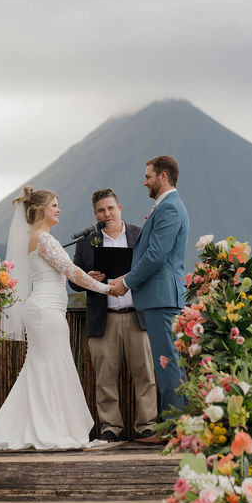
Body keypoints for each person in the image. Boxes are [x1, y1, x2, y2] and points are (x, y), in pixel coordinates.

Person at [0, 186, 113, 450]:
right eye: (54, 205)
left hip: (47, 311)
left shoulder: (38, 238)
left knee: (44, 367)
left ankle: (46, 425)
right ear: (41, 210)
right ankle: (50, 428)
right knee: (51, 366)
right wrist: (108, 288)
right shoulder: (43, 239)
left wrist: (93, 280)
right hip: (45, 312)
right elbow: (72, 272)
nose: (58, 209)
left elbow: (66, 272)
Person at [108, 156, 189, 444]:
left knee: (168, 365)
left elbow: (156, 255)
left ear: (163, 176)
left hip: (161, 297)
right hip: (160, 297)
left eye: (148, 176)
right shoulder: (167, 207)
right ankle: (180, 428)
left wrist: (126, 282)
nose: (144, 182)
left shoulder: (169, 208)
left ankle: (173, 431)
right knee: (169, 363)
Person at [70, 188, 158, 442]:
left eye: (110, 208)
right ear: (95, 214)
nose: (106, 213)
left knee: (145, 374)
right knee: (104, 377)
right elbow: (74, 282)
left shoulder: (139, 236)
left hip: (137, 316)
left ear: (120, 208)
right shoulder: (86, 242)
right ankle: (110, 427)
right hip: (103, 318)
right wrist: (87, 278)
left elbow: (153, 270)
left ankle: (147, 426)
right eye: (101, 210)